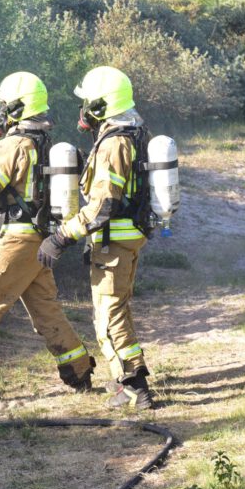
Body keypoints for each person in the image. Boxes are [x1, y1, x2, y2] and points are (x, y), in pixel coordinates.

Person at [0, 71, 95, 400]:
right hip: (39, 241)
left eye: (4, 104)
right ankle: (79, 370)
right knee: (46, 311)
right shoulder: (46, 144)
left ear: (18, 107)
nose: (0, 110)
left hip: (13, 241)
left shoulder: (14, 144)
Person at [36, 66, 154, 410]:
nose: (83, 108)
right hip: (127, 237)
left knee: (107, 315)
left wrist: (61, 237)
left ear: (101, 105)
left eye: (88, 101)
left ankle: (133, 387)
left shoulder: (115, 142)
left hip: (113, 241)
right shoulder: (134, 132)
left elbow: (103, 205)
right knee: (118, 309)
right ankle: (132, 375)